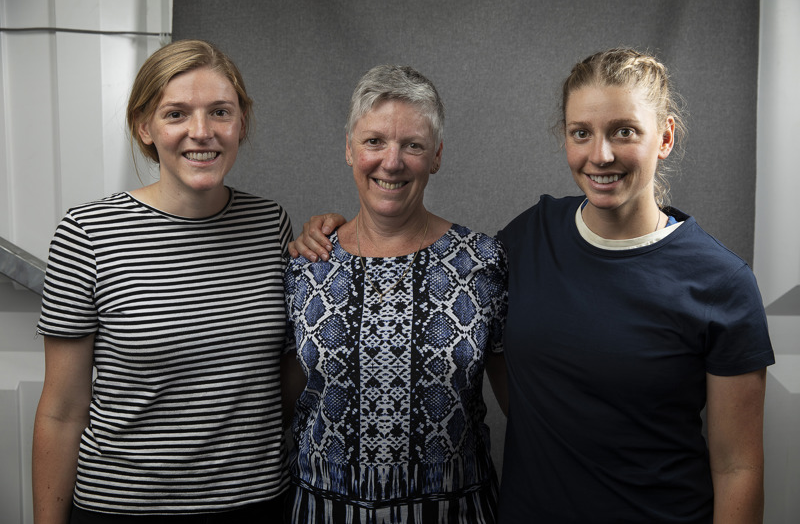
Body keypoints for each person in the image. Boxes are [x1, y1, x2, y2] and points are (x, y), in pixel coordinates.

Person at [288, 48, 774, 523]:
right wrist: (327, 232)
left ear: (665, 137)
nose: (601, 154)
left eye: (624, 131)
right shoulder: (529, 238)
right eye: (581, 132)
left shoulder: (720, 283)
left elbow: (740, 467)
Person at [33, 39, 293, 523]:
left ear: (241, 124)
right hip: (125, 509)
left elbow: (282, 374)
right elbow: (62, 410)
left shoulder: (270, 223)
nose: (202, 132)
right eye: (176, 114)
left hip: (257, 505)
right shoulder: (87, 233)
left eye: (220, 112)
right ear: (144, 126)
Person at [281, 64, 508, 523]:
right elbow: (279, 403)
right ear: (349, 149)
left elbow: (524, 407)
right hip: (325, 510)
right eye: (374, 141)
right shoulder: (306, 264)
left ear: (437, 155)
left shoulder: (483, 262)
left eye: (413, 145)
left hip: (453, 511)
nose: (392, 161)